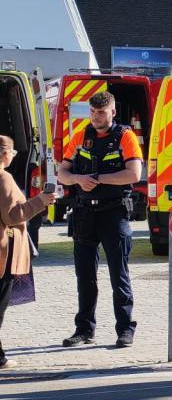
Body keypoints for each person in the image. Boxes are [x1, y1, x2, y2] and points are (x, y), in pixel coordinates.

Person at [58, 91, 143, 349]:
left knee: (119, 275)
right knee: (85, 276)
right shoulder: (81, 136)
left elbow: (134, 174)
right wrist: (77, 180)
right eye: (93, 113)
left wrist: (98, 179)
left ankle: (125, 329)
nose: (96, 117)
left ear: (113, 112)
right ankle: (84, 329)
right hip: (84, 214)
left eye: (101, 112)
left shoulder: (125, 137)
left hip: (113, 213)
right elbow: (62, 172)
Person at [0, 137, 55, 369]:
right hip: (3, 253)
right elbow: (12, 215)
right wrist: (40, 201)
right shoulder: (4, 177)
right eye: (12, 152)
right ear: (4, 154)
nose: (13, 156)